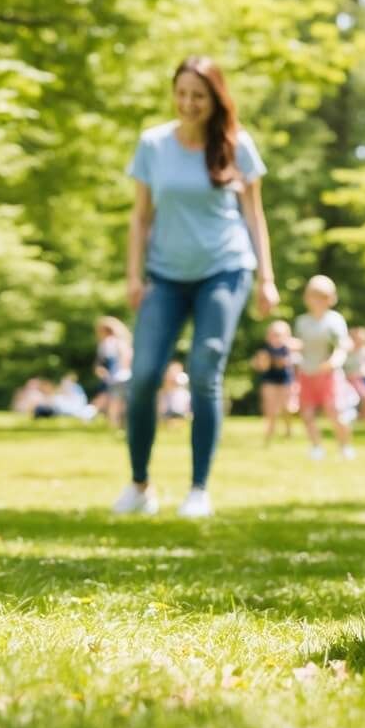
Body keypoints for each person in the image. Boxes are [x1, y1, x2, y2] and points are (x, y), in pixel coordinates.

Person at [113, 56, 279, 518]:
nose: (189, 103)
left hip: (223, 269)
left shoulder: (236, 146)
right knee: (143, 375)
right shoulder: (153, 144)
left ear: (215, 99)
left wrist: (266, 277)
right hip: (164, 275)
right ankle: (140, 484)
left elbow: (254, 216)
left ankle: (198, 490)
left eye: (199, 96)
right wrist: (133, 274)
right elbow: (140, 217)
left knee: (206, 369)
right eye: (182, 93)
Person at [295, 275, 355, 461]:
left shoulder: (335, 320)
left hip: (329, 374)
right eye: (313, 296)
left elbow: (342, 345)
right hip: (307, 372)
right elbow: (301, 345)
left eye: (321, 296)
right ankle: (316, 447)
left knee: (334, 412)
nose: (317, 300)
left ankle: (345, 446)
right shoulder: (302, 321)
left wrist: (334, 361)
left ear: (330, 298)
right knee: (307, 414)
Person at [252, 320, 296, 444]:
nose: (274, 337)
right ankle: (269, 434)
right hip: (269, 380)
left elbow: (295, 354)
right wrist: (261, 363)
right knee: (270, 409)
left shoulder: (288, 348)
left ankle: (288, 430)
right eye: (272, 334)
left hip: (285, 381)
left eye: (278, 334)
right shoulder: (265, 349)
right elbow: (258, 364)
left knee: (286, 408)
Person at [94, 316, 133, 428]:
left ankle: (115, 424)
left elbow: (100, 364)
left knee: (115, 401)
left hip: (117, 376)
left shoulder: (108, 343)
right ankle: (122, 424)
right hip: (124, 375)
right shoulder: (123, 342)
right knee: (123, 401)